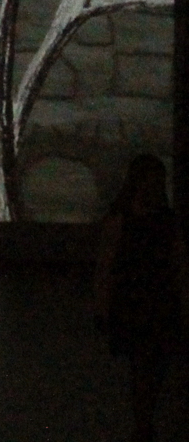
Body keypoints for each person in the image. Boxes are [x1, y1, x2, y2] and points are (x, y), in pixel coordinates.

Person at [95, 153, 189, 442]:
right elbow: (106, 267)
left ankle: (144, 423)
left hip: (157, 301)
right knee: (144, 364)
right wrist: (102, 307)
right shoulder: (122, 220)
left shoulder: (163, 220)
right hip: (136, 302)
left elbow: (179, 264)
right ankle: (143, 424)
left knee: (154, 366)